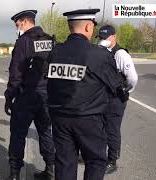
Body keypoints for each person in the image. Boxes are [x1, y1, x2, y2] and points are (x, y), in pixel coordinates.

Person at [47, 9, 125, 180]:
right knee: (96, 161)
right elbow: (116, 86)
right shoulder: (99, 55)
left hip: (59, 118)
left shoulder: (55, 52)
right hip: (89, 119)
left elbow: (48, 84)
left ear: (70, 27)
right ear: (89, 27)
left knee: (64, 162)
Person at [4, 10, 55, 180]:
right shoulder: (49, 40)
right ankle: (50, 169)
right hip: (46, 96)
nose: (17, 27)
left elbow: (16, 72)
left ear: (25, 22)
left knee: (18, 134)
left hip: (26, 95)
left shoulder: (23, 42)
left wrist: (9, 96)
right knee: (46, 133)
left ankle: (14, 174)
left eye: (17, 24)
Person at [97, 25, 138, 174]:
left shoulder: (120, 54)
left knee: (112, 129)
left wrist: (124, 91)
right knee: (99, 127)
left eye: (105, 37)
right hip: (102, 97)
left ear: (114, 37)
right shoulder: (101, 52)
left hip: (115, 98)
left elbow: (132, 78)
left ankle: (112, 160)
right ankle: (97, 155)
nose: (102, 40)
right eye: (100, 38)